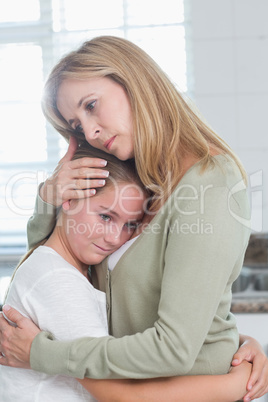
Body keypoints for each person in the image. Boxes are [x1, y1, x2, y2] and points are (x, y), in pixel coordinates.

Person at [0, 36, 268, 402]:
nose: (90, 131)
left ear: (132, 81)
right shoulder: (137, 180)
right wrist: (50, 198)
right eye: (77, 125)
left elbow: (175, 347)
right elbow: (56, 272)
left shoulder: (211, 182)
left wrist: (42, 353)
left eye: (92, 106)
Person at [0, 141, 252, 402]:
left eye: (130, 224)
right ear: (68, 199)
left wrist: (242, 343)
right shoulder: (59, 282)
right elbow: (120, 394)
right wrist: (238, 381)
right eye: (106, 217)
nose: (114, 238)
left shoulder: (80, 269)